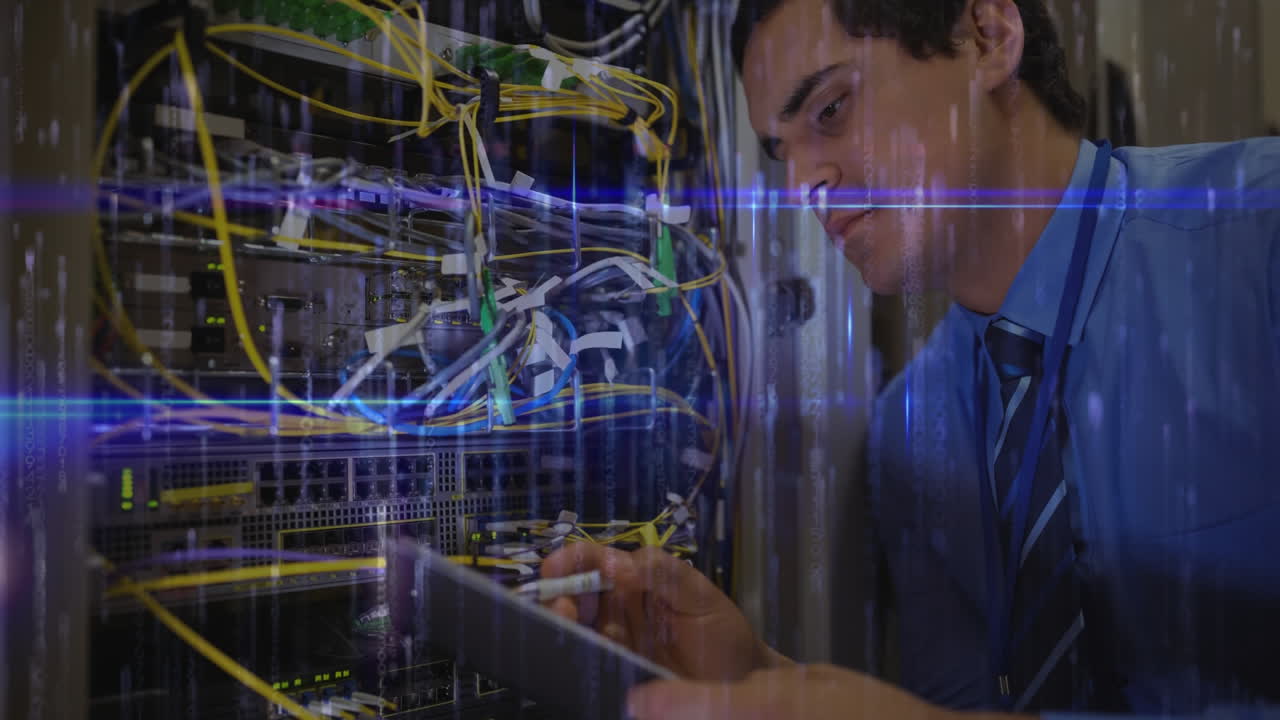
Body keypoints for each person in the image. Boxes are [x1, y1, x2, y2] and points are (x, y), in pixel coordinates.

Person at [541, 0, 1280, 717]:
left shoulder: (1256, 241)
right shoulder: (916, 431)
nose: (803, 185)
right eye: (782, 149)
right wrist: (760, 677)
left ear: (988, 35)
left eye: (831, 110)